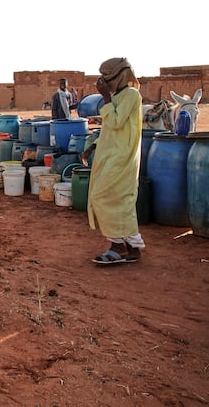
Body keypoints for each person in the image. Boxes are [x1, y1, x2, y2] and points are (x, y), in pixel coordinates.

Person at [81, 58, 145, 264]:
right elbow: (110, 128)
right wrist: (93, 145)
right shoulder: (118, 96)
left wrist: (106, 98)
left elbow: (117, 122)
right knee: (117, 199)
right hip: (110, 154)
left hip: (122, 157)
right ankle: (131, 247)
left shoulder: (132, 96)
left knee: (106, 197)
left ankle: (119, 245)